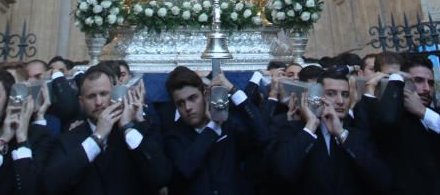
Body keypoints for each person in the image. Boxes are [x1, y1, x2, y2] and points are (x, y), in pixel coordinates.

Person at [43, 65, 172, 195]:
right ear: (81, 102)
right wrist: (96, 138)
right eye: (91, 96)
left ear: (114, 93)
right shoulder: (67, 139)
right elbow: (51, 183)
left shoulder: (137, 129)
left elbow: (161, 176)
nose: (99, 102)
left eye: (103, 94)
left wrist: (128, 128)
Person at [263, 69, 392, 195]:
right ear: (317, 97)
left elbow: (383, 181)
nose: (340, 101)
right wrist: (310, 127)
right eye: (331, 94)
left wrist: (342, 135)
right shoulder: (296, 130)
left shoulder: (357, 133)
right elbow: (282, 173)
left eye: (345, 95)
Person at [164, 66, 269, 195]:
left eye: (192, 98)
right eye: (180, 103)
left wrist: (234, 90)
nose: (188, 107)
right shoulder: (174, 135)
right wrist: (212, 127)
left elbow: (262, 137)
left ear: (205, 95)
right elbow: (185, 169)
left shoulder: (228, 124)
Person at [370, 55, 440, 194]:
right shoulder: (390, 115)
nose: (426, 88)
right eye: (418, 81)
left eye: (430, 83)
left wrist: (423, 112)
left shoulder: (433, 114)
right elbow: (387, 120)